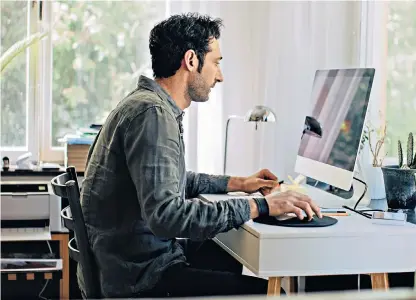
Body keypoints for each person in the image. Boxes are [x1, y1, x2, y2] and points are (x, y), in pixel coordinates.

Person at [80, 12, 322, 298]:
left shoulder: (145, 105)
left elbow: (172, 181)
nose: (219, 76)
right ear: (191, 60)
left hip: (129, 265)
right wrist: (261, 205)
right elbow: (167, 216)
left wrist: (239, 184)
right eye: (216, 63)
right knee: (272, 294)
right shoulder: (153, 115)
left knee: (228, 252)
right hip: (142, 279)